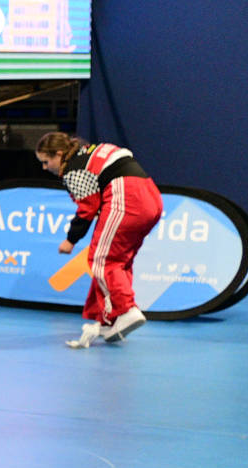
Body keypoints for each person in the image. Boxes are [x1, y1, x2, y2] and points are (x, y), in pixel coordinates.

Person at [37, 131, 164, 348]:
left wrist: (70, 240)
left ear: (59, 154)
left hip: (128, 197)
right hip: (152, 198)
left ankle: (126, 310)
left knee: (101, 260)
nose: (44, 167)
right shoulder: (88, 152)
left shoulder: (73, 171)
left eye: (46, 161)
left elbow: (87, 209)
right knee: (120, 261)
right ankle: (109, 319)